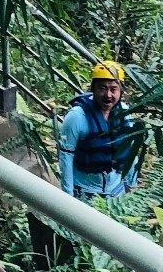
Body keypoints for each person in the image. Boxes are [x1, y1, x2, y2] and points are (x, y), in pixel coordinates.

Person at [57, 59, 140, 199]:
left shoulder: (124, 114)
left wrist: (132, 183)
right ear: (93, 89)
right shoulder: (77, 117)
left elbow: (130, 149)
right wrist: (68, 195)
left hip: (116, 189)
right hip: (85, 191)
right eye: (102, 88)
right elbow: (66, 156)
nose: (108, 95)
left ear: (120, 91)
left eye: (113, 89)